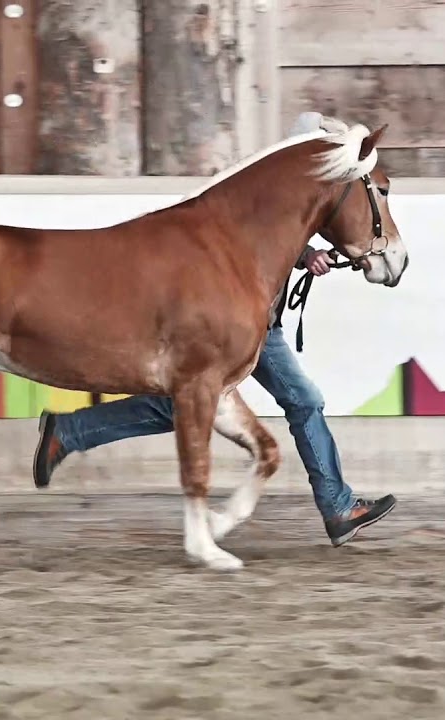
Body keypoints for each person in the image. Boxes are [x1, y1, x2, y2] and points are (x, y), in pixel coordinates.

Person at [30, 112, 398, 547]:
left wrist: (308, 253)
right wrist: (304, 255)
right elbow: (259, 237)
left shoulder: (305, 200)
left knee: (186, 403)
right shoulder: (275, 192)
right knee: (286, 400)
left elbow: (280, 238)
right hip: (237, 322)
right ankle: (337, 507)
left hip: (254, 322)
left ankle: (69, 433)